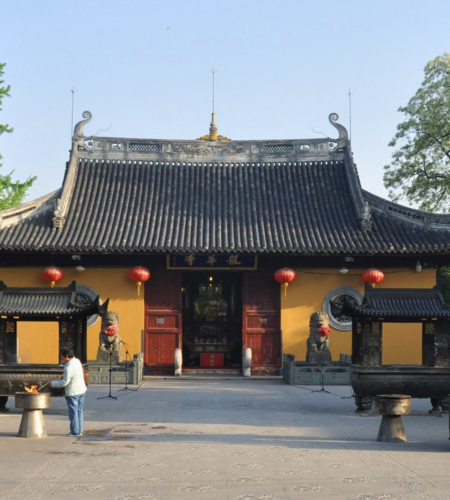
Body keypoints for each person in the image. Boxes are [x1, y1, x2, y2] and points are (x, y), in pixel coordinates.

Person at [49, 348, 87, 437]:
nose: (62, 358)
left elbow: (64, 382)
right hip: (81, 390)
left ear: (66, 356)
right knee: (79, 411)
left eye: (62, 356)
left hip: (73, 392)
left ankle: (74, 431)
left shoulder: (68, 367)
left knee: (73, 412)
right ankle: (79, 430)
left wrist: (52, 383)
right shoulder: (77, 361)